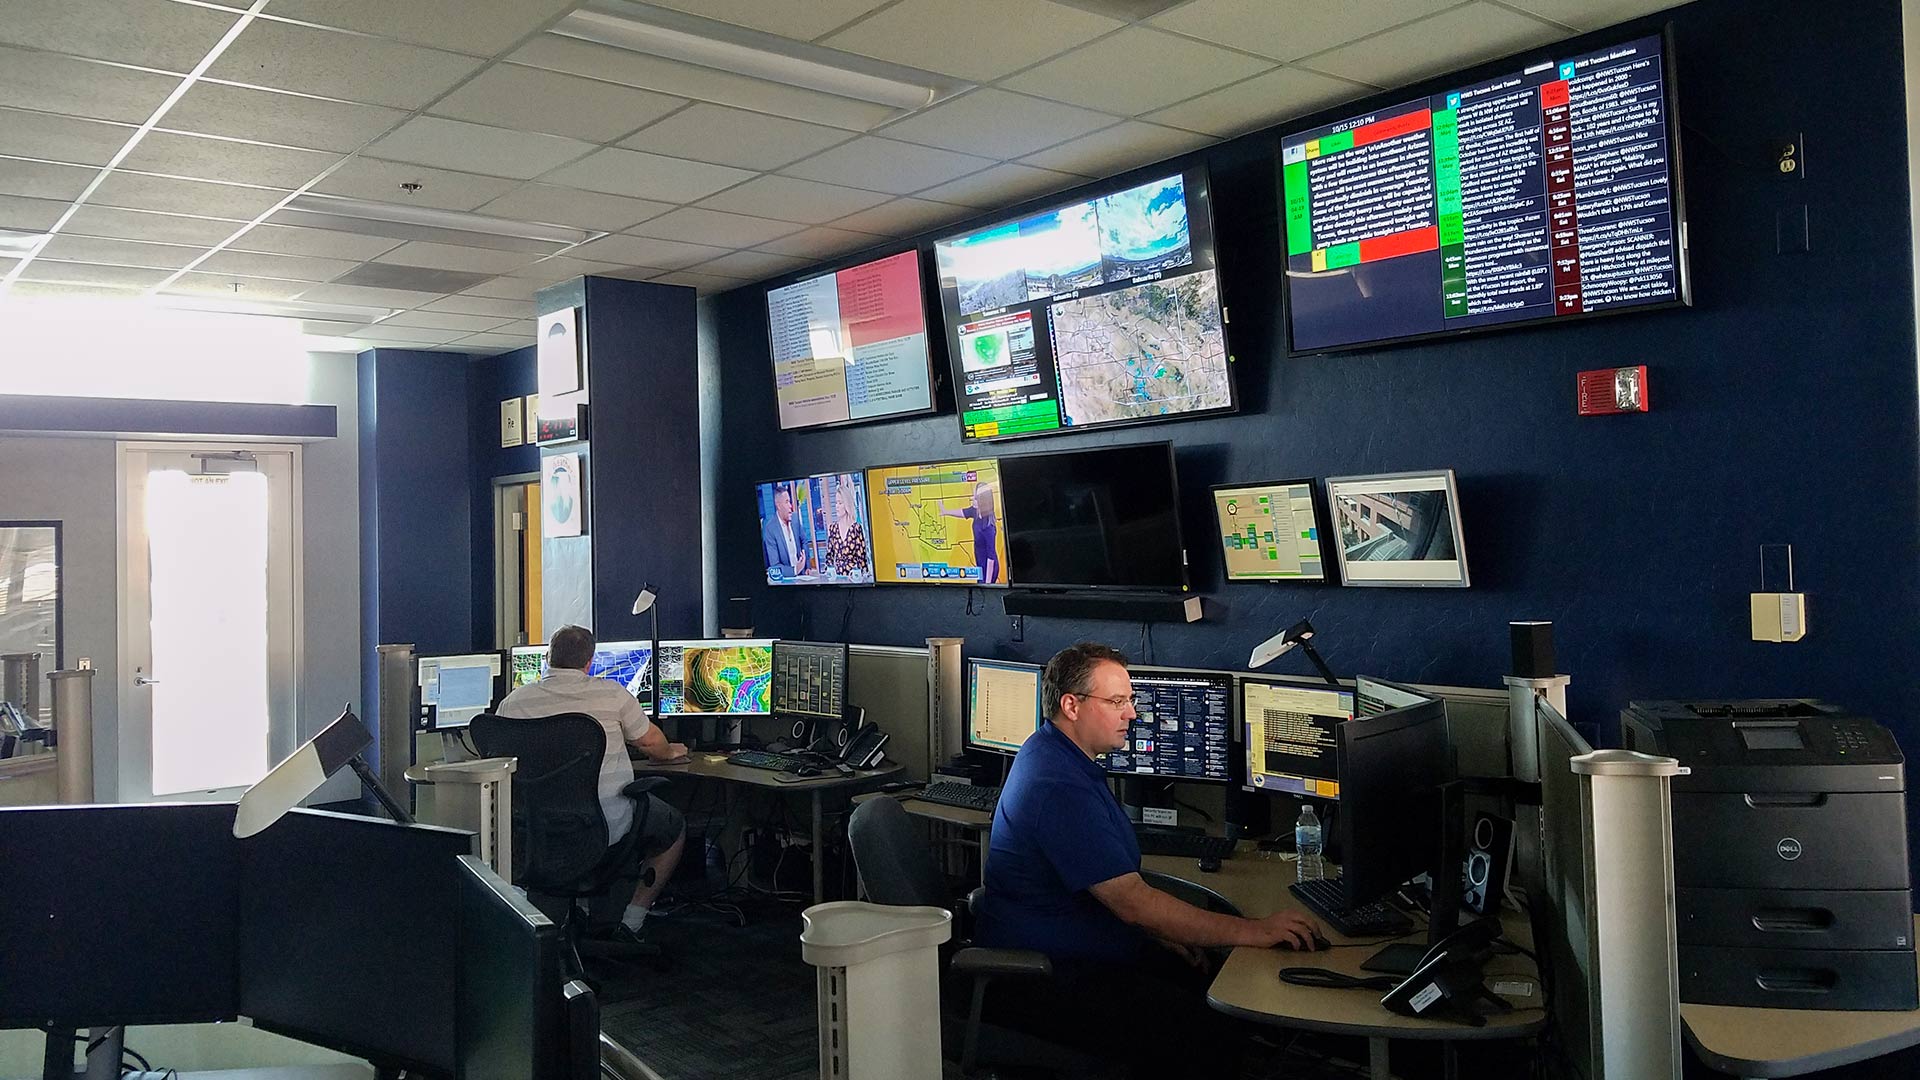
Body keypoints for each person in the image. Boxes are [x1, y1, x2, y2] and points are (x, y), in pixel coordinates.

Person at [974, 642, 1322, 1075]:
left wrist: (1162, 933)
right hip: (1046, 979)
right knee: (1208, 1026)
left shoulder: (1054, 753)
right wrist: (1254, 931)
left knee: (1203, 974)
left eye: (1131, 700)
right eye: (1117, 702)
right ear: (1071, 705)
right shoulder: (1056, 786)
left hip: (1083, 951)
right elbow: (1134, 904)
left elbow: (1122, 895)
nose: (1133, 714)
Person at [495, 624, 688, 940]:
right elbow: (653, 744)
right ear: (589, 662)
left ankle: (562, 927)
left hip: (537, 830)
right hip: (605, 828)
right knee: (674, 826)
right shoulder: (612, 694)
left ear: (548, 658)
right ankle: (632, 920)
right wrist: (673, 752)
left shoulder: (513, 703)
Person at [939, 480, 1000, 583]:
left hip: (989, 568)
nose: (972, 499)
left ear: (982, 500)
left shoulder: (989, 528)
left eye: (975, 497)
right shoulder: (975, 512)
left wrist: (988, 584)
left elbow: (991, 557)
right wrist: (946, 512)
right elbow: (963, 512)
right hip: (980, 563)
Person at [761, 481, 812, 581]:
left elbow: (804, 541)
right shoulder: (770, 529)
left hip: (803, 577)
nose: (790, 506)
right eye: (787, 502)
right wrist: (795, 570)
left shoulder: (795, 519)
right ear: (778, 505)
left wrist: (807, 566)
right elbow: (775, 566)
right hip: (785, 582)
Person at [823, 473, 870, 581]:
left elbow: (862, 559)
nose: (837, 506)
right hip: (838, 581)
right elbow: (829, 558)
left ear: (847, 504)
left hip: (854, 580)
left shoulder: (856, 528)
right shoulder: (833, 529)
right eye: (836, 503)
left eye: (840, 503)